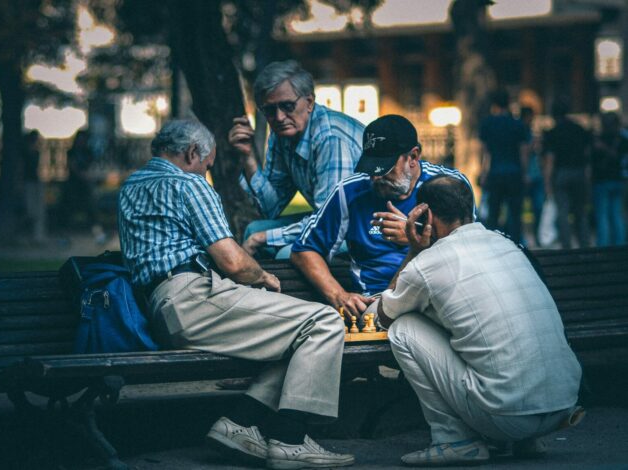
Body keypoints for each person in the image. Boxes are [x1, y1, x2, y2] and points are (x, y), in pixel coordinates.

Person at [118, 119, 355, 469]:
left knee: (297, 340)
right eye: (207, 165)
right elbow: (233, 262)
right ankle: (290, 440)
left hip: (161, 309)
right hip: (193, 297)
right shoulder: (188, 184)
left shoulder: (131, 185)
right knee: (323, 321)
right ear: (192, 152)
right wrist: (263, 277)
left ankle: (239, 424)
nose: (205, 172)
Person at [371, 175, 583, 466]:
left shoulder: (428, 263)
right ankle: (525, 440)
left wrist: (415, 250)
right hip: (564, 404)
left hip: (506, 417)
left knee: (403, 329)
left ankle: (454, 441)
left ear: (425, 216)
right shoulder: (507, 244)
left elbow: (382, 316)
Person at [290, 114, 474, 319]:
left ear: (413, 157)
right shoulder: (349, 192)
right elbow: (304, 250)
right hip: (377, 301)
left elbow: (471, 249)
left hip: (440, 294)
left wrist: (415, 237)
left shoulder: (448, 185)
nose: (375, 177)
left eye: (385, 168)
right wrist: (339, 295)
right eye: (371, 167)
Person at [229, 60, 364, 259]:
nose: (279, 117)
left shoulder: (330, 138)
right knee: (254, 229)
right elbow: (270, 209)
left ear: (309, 102)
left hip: (367, 228)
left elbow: (329, 220)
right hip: (334, 221)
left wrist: (264, 238)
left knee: (286, 254)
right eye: (270, 110)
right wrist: (248, 157)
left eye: (287, 106)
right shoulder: (282, 135)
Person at [478, 90, 529, 242]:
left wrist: (483, 172)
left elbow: (484, 152)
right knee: (515, 214)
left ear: (494, 104)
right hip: (514, 173)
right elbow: (523, 151)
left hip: (495, 173)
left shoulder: (487, 123)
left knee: (493, 213)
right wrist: (524, 173)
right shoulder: (517, 124)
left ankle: (493, 244)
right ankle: (516, 244)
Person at [542, 100, 592, 249]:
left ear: (554, 114)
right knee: (580, 211)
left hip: (561, 174)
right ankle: (584, 243)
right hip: (579, 172)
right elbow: (587, 155)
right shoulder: (579, 129)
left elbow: (550, 160)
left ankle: (567, 245)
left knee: (562, 212)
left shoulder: (552, 133)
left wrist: (547, 182)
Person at [591, 112, 627, 246]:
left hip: (602, 180)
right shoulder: (623, 139)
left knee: (602, 215)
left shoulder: (599, 139)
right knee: (616, 214)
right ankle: (619, 244)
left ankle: (603, 246)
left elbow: (592, 161)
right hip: (618, 179)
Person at [520, 106, 545, 246]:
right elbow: (524, 153)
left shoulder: (530, 132)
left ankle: (536, 235)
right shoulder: (522, 132)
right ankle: (523, 236)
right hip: (528, 175)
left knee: (538, 207)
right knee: (523, 208)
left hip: (536, 174)